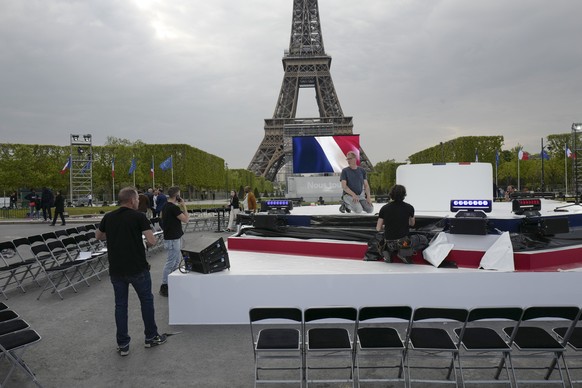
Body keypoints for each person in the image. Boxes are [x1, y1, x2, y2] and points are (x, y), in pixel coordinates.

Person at [95, 187, 167, 356]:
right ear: (131, 200)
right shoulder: (139, 217)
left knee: (120, 306)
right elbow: (152, 240)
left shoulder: (109, 217)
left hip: (117, 269)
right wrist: (142, 242)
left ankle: (123, 344)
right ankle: (151, 337)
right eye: (136, 199)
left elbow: (99, 236)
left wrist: (115, 235)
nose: (138, 202)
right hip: (137, 268)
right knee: (146, 302)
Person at [376, 184, 427, 264]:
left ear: (391, 194)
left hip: (388, 241)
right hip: (403, 242)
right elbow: (412, 223)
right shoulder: (409, 207)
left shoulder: (384, 208)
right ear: (404, 195)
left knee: (382, 238)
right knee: (424, 239)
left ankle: (387, 251)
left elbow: (378, 228)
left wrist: (387, 227)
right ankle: (404, 253)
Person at [159, 186, 189, 297]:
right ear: (177, 196)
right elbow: (186, 220)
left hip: (171, 237)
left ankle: (172, 282)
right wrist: (184, 206)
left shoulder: (165, 206)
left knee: (176, 261)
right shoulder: (174, 208)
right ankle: (164, 285)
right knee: (171, 262)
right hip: (173, 238)